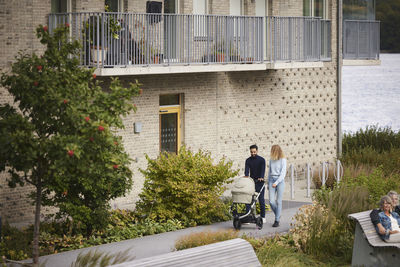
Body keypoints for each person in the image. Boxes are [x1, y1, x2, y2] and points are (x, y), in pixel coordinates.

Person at [244, 144, 266, 223]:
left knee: (261, 200)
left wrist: (261, 177)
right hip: (252, 182)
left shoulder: (262, 160)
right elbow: (246, 171)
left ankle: (263, 217)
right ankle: (247, 217)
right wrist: (246, 177)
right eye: (251, 152)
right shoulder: (248, 160)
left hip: (260, 182)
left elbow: (263, 169)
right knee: (249, 200)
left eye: (254, 152)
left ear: (257, 151)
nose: (253, 153)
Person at [268, 145, 286, 227]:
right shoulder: (271, 160)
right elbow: (269, 172)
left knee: (278, 202)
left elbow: (283, 173)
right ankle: (278, 214)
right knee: (271, 201)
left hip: (280, 181)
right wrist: (269, 183)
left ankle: (277, 220)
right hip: (272, 180)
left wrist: (277, 182)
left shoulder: (283, 160)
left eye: (272, 150)